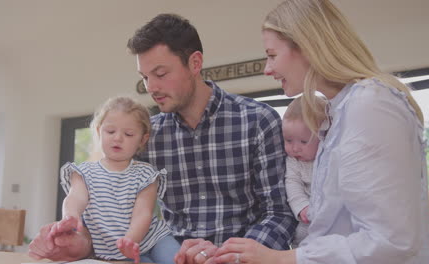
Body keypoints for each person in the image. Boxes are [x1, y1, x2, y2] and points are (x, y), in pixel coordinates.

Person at [28, 13, 297, 264]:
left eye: (160, 74)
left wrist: (232, 255)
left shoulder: (258, 120)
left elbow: (279, 214)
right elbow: (108, 212)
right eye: (145, 77)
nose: (151, 87)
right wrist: (78, 242)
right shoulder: (146, 137)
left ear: (195, 63)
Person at [213, 0, 429, 263]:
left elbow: (390, 241)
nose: (267, 69)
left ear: (307, 48)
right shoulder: (341, 110)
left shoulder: (370, 106)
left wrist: (281, 258)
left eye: (272, 55)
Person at [47, 96, 180, 264]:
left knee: (174, 260)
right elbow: (76, 197)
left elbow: (143, 213)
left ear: (142, 139)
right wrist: (70, 215)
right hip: (112, 250)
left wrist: (131, 239)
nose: (118, 138)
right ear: (98, 131)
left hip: (154, 241)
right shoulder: (83, 172)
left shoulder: (146, 173)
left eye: (128, 134)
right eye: (110, 131)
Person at [282, 96, 326, 248]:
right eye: (288, 140)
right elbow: (292, 183)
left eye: (303, 141)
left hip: (330, 218)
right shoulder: (293, 161)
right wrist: (301, 206)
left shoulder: (329, 157)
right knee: (302, 240)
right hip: (306, 221)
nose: (295, 148)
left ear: (323, 137)